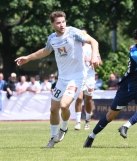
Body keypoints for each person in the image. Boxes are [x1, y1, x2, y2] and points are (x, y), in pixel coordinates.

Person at [15, 11, 99, 148]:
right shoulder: (52, 38)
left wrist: (94, 56)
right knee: (54, 109)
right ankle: (53, 138)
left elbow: (93, 41)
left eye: (63, 22)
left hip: (77, 78)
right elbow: (45, 51)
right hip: (62, 79)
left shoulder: (73, 32)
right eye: (58, 23)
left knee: (64, 105)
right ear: (52, 24)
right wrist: (27, 58)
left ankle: (63, 129)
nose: (62, 25)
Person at [74, 29, 102, 130]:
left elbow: (100, 62)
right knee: (79, 98)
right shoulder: (73, 47)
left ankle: (87, 120)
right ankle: (77, 122)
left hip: (90, 77)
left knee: (88, 100)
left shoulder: (91, 47)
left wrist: (90, 60)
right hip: (78, 76)